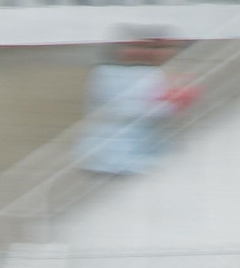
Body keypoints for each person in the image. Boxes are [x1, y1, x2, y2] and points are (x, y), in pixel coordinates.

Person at [83, 33, 194, 175]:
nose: (146, 52)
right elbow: (125, 110)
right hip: (111, 155)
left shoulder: (158, 73)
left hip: (146, 153)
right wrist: (173, 104)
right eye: (137, 46)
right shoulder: (107, 73)